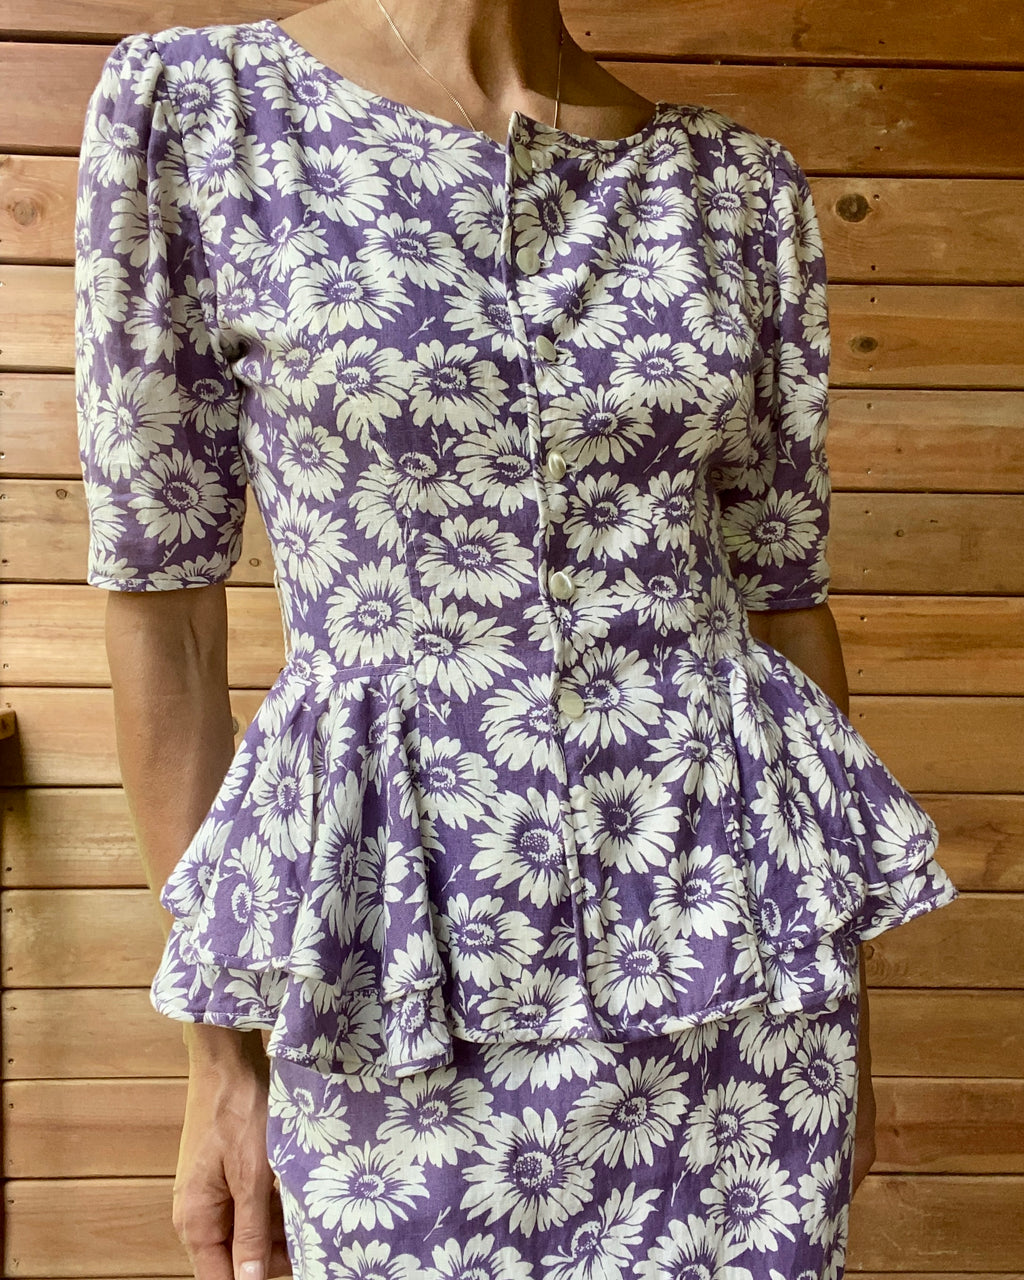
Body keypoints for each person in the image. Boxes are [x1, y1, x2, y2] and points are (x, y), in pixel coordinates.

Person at [73, 2, 961, 1276]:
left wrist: (847, 1011)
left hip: (736, 961)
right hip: (395, 962)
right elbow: (163, 602)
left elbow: (782, 599)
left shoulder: (736, 188)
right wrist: (220, 1055)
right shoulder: (206, 113)